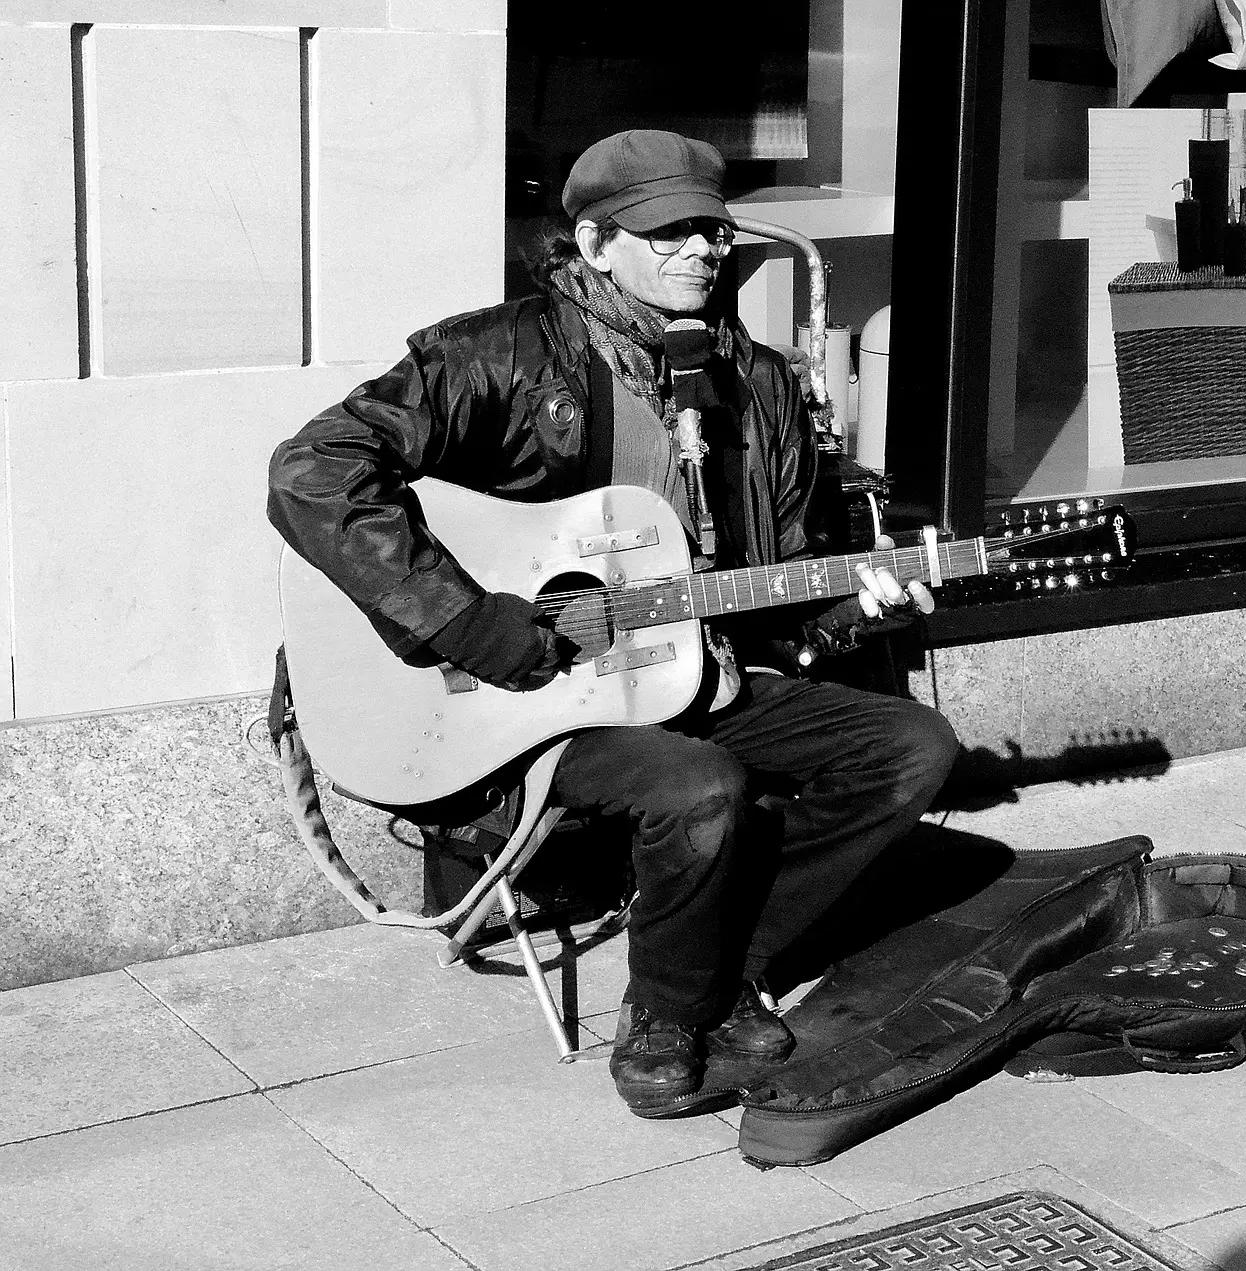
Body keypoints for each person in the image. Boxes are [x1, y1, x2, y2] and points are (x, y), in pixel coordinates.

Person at [267, 129, 959, 1117]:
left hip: (698, 669)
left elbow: (779, 585)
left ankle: (719, 964)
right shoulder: (499, 355)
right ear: (594, 244)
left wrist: (855, 606)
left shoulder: (757, 384)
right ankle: (666, 1016)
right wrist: (468, 619)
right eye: (668, 231)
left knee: (912, 748)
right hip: (530, 704)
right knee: (698, 785)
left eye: (712, 230)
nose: (701, 249)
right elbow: (312, 470)